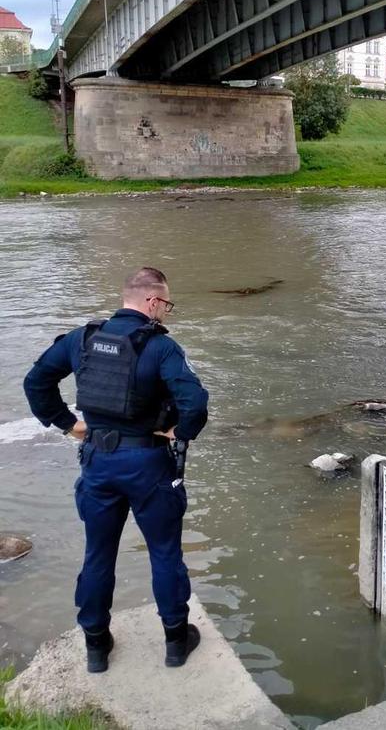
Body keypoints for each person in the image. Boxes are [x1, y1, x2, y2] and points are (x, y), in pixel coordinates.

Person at [23, 267, 209, 673]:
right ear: (152, 302)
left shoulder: (83, 338)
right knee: (165, 553)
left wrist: (67, 423)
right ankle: (176, 642)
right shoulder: (161, 347)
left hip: (98, 464)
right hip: (149, 465)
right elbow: (195, 400)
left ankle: (96, 647)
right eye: (166, 305)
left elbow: (36, 381)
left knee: (97, 555)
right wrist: (180, 432)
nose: (166, 313)